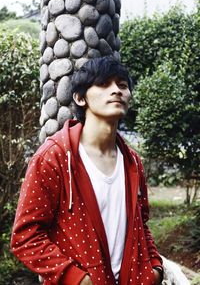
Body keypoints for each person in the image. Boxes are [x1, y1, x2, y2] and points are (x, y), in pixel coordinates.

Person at [11, 56, 163, 285]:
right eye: (104, 84)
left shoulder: (133, 162)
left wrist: (154, 268)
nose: (116, 91)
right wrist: (78, 279)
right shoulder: (54, 157)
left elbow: (141, 224)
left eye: (122, 85)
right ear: (80, 98)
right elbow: (25, 236)